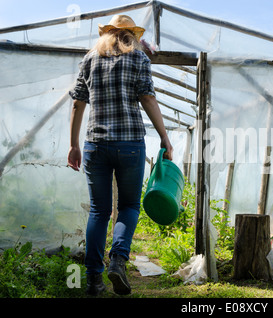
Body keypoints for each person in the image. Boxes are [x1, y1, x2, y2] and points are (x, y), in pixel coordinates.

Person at [67, 15, 173, 296]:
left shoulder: (89, 60)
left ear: (107, 33)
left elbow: (78, 102)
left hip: (95, 145)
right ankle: (118, 260)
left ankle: (92, 279)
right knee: (128, 207)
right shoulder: (139, 59)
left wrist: (73, 144)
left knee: (99, 211)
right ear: (131, 36)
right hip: (129, 144)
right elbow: (148, 98)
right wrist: (165, 137)